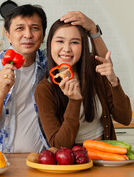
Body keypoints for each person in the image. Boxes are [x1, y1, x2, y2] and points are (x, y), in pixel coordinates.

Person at [0, 4, 109, 153]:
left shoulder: (50, 62)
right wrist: (2, 90)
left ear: (43, 36)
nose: (28, 35)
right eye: (20, 28)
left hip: (42, 158)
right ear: (8, 35)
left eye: (35, 28)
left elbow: (103, 66)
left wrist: (93, 30)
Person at [34, 19, 132, 148]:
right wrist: (74, 101)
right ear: (50, 44)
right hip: (75, 162)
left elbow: (125, 119)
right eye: (60, 41)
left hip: (106, 157)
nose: (67, 49)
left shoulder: (96, 70)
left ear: (83, 46)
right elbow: (59, 145)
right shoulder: (44, 89)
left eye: (74, 42)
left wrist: (114, 82)